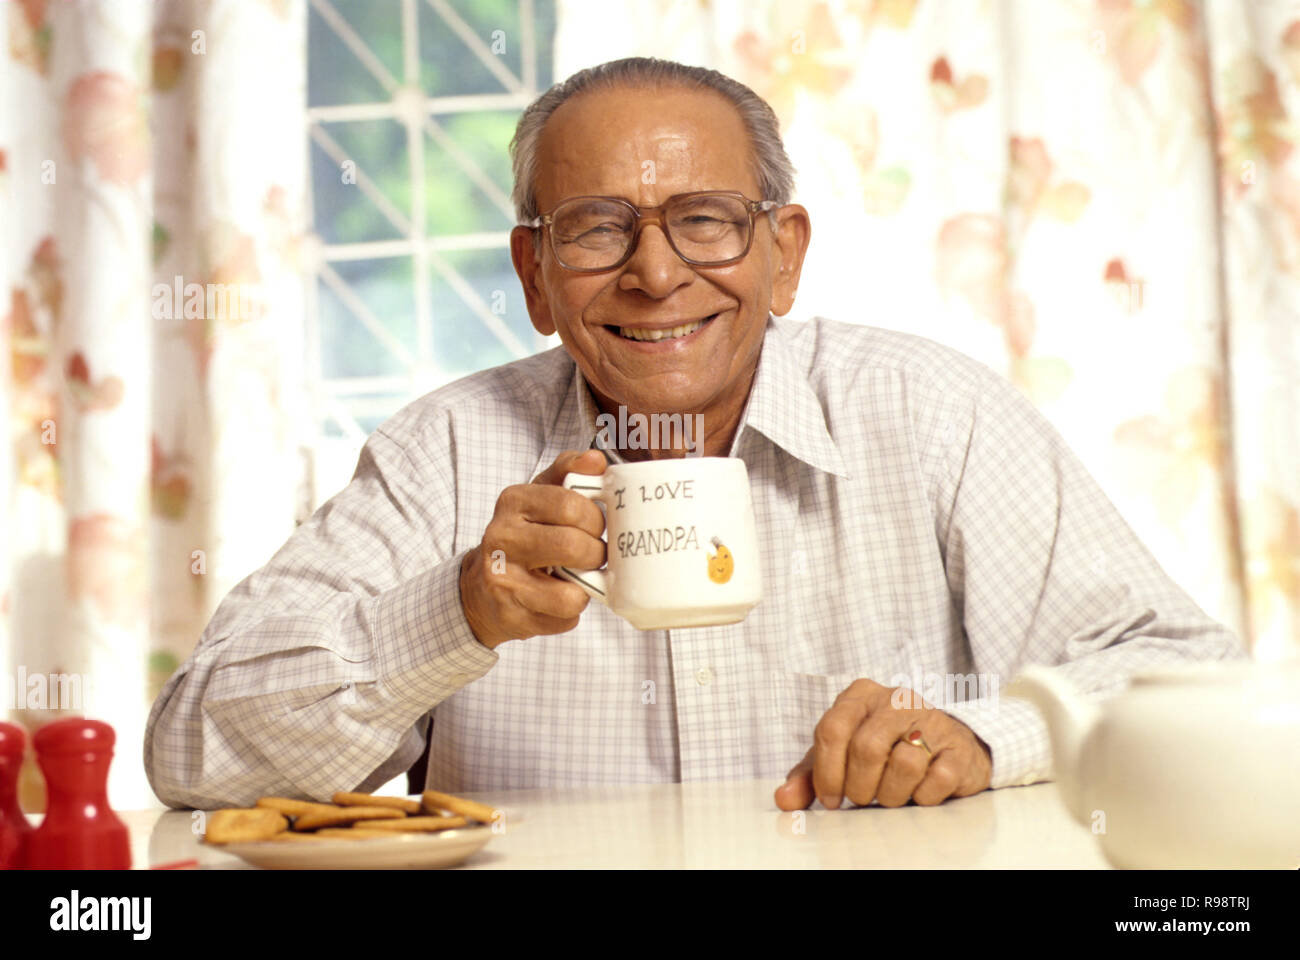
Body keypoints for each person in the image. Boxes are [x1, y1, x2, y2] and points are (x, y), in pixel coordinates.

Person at [144, 57, 1243, 812]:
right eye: (595, 230)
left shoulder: (931, 411)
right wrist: (453, 611)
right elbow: (193, 753)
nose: (657, 272)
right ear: (534, 277)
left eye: (705, 221)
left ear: (784, 255)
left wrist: (988, 740)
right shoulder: (443, 452)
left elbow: (1180, 673)